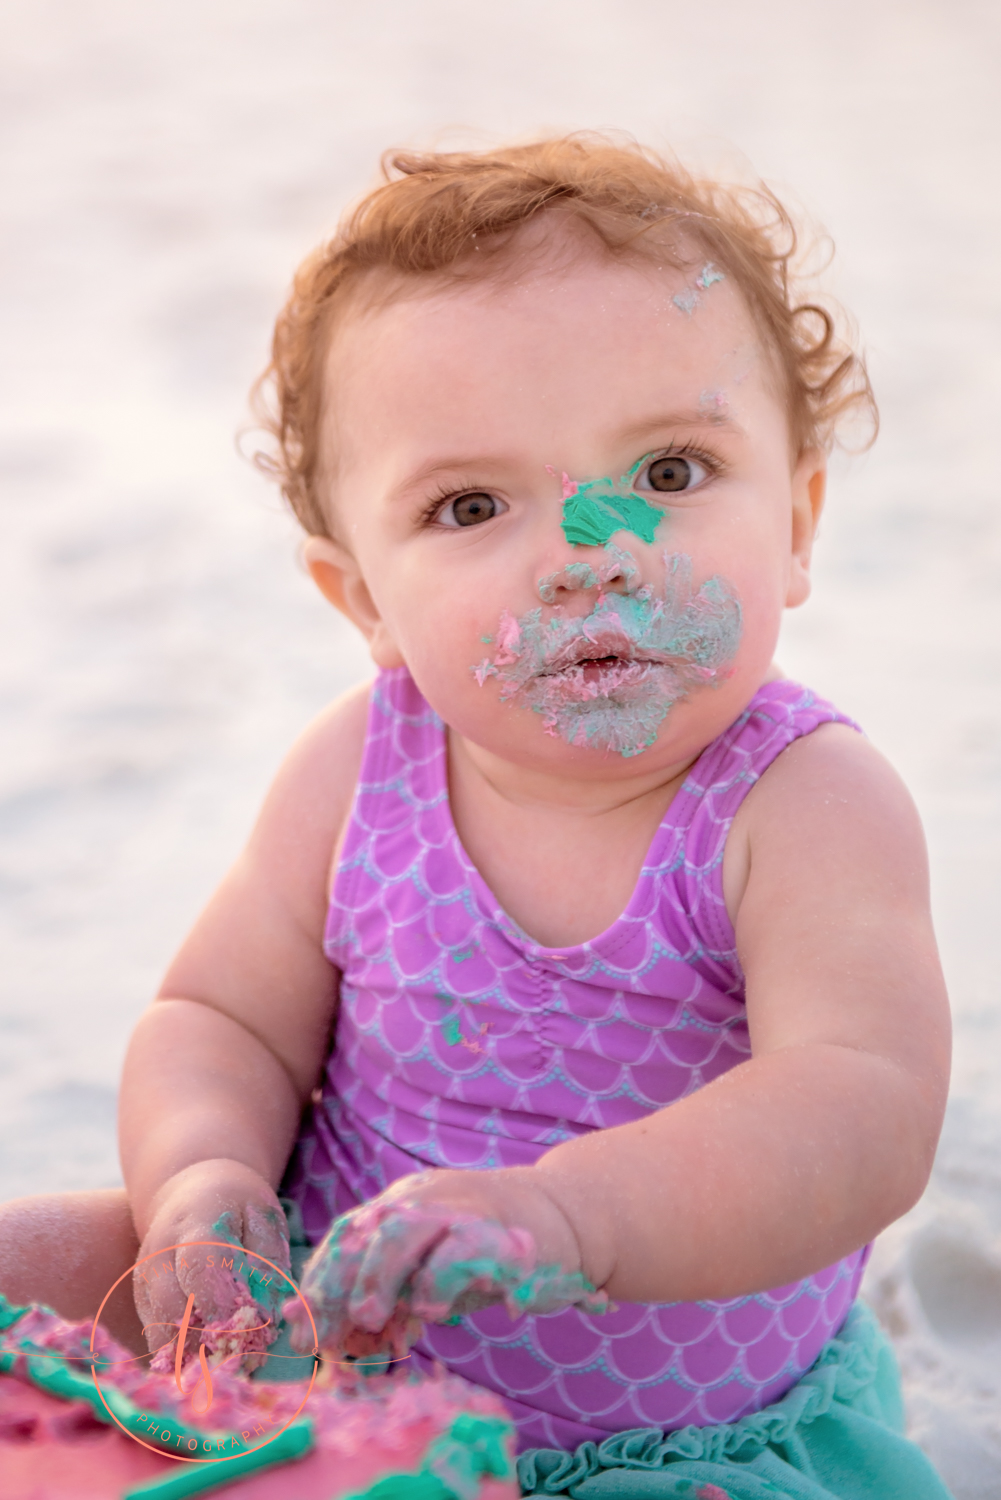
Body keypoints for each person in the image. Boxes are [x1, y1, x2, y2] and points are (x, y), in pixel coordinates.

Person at [0, 137, 953, 1497]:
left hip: (663, 1444)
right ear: (362, 603)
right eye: (470, 504)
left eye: (669, 472)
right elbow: (220, 1019)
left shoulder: (798, 803)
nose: (587, 550)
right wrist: (199, 1183)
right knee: (34, 1263)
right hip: (315, 1353)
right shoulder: (358, 769)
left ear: (796, 520)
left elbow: (858, 1111)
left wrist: (567, 1217)